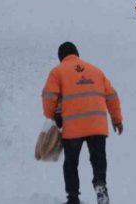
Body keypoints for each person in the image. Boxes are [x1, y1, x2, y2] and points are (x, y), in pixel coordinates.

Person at [41, 42, 123, 204]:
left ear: (61, 57)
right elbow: (112, 96)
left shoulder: (58, 71)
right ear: (76, 53)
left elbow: (49, 96)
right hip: (97, 124)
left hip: (72, 126)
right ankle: (100, 185)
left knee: (71, 163)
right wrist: (117, 120)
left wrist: (51, 116)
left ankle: (73, 197)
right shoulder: (95, 70)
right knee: (98, 158)